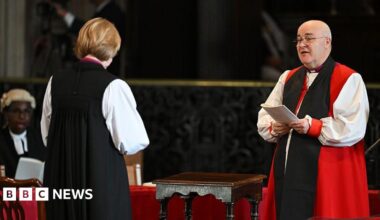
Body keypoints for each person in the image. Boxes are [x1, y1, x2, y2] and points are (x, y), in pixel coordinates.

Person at [257, 20, 370, 219]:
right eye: (299, 40)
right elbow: (266, 114)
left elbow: (352, 127)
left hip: (327, 173)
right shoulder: (288, 77)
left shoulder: (348, 78)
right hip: (288, 167)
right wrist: (276, 127)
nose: (302, 44)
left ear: (327, 42)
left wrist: (313, 126)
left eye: (308, 38)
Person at [40, 17, 149, 220]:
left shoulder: (56, 81)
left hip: (61, 184)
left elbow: (47, 135)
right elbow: (133, 141)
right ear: (112, 47)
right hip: (99, 183)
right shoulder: (113, 86)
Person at [52, 0, 126, 76]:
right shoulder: (103, 10)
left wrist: (65, 15)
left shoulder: (112, 11)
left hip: (104, 73)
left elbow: (91, 32)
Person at [0, 89, 46, 178]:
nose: (22, 116)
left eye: (26, 111)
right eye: (16, 111)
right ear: (5, 113)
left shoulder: (40, 138)